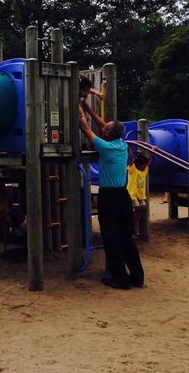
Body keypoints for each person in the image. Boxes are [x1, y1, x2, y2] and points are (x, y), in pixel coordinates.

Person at [79, 105, 144, 290]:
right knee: (126, 237)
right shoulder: (121, 144)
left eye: (105, 128)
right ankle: (137, 277)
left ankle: (120, 279)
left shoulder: (105, 147)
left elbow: (86, 128)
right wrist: (90, 109)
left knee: (110, 237)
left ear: (108, 133)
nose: (102, 128)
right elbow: (104, 127)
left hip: (109, 197)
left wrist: (78, 107)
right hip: (123, 196)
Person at [127, 147, 155, 238]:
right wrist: (130, 149)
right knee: (138, 208)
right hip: (132, 195)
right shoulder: (133, 170)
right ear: (138, 165)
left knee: (143, 208)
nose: (144, 167)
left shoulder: (144, 171)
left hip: (140, 196)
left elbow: (149, 162)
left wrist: (152, 151)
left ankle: (135, 222)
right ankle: (133, 226)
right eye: (143, 166)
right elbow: (131, 159)